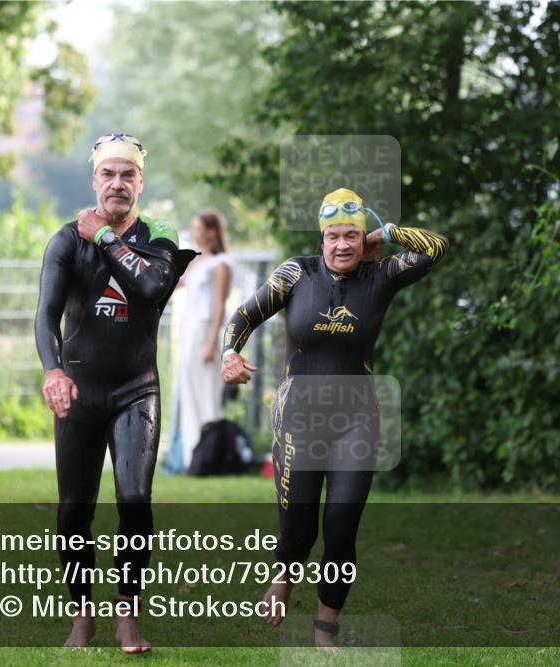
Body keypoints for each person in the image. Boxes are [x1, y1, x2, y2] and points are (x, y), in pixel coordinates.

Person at [220, 187, 448, 648]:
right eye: (333, 236)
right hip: (298, 418)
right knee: (299, 527)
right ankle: (285, 575)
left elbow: (435, 247)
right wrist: (230, 353)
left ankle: (327, 624)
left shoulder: (380, 276)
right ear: (321, 238)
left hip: (356, 420)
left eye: (352, 235)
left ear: (364, 239)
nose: (342, 245)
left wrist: (388, 231)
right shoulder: (295, 274)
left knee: (341, 525)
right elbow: (243, 316)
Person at [34, 132, 195, 653]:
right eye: (109, 173)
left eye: (128, 174)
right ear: (94, 180)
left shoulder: (162, 235)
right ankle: (82, 617)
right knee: (73, 510)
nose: (118, 183)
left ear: (141, 183)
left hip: (136, 391)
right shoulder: (65, 240)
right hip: (80, 392)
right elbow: (45, 316)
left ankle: (129, 614)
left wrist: (104, 238)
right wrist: (53, 372)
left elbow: (150, 288)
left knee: (134, 499)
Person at [164, 210, 234, 473]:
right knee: (189, 391)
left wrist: (211, 341)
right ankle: (193, 456)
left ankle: (211, 455)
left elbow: (219, 306)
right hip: (189, 330)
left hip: (205, 330)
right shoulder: (196, 262)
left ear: (212, 231)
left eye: (199, 228)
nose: (195, 233)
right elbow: (175, 285)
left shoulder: (221, 264)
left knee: (207, 393)